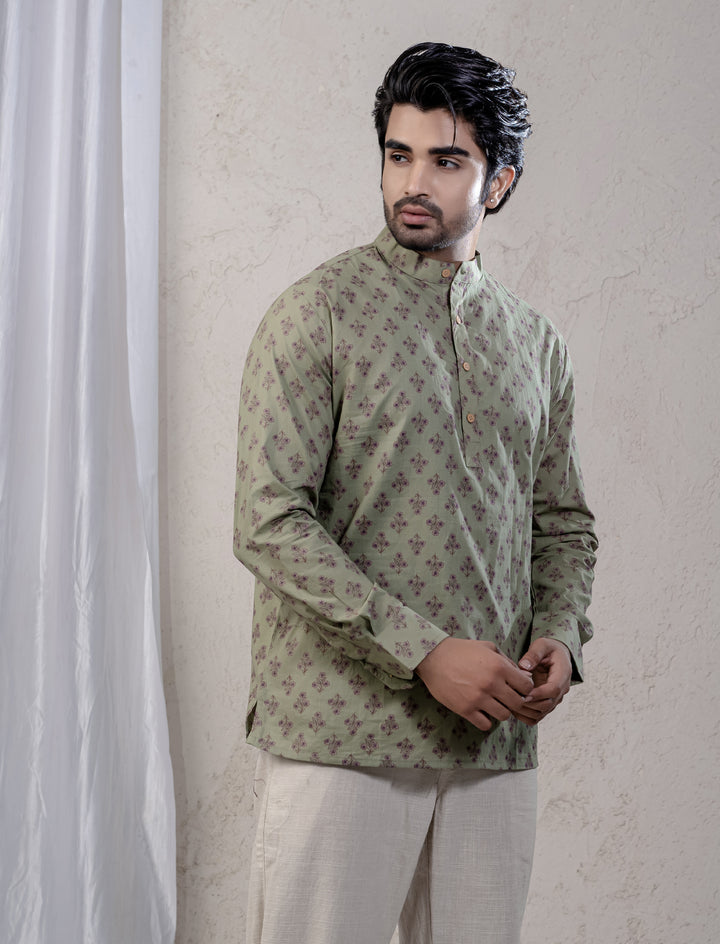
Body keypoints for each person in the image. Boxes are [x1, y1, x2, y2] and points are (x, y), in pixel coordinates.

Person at [233, 41, 597, 944]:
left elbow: (561, 523)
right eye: (399, 155)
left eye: (446, 160)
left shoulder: (536, 344)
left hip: (491, 744)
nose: (413, 183)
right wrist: (426, 651)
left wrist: (559, 633)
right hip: (341, 737)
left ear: (499, 182)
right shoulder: (317, 313)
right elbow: (269, 522)